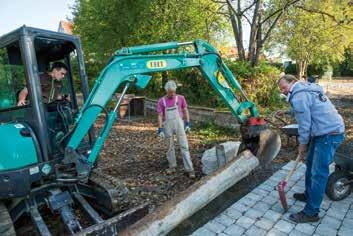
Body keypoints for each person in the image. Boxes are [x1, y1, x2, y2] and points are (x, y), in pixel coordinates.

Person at [278, 74, 345, 223]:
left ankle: (311, 212)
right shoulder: (306, 89)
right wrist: (288, 112)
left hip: (329, 134)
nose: (282, 91)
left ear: (293, 82)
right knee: (310, 164)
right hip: (322, 131)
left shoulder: (298, 96)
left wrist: (302, 144)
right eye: (280, 89)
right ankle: (309, 194)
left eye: (284, 87)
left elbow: (304, 125)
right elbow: (309, 107)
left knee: (318, 173)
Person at [157, 80, 195, 179]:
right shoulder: (162, 101)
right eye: (170, 92)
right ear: (166, 91)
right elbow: (160, 115)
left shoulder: (181, 98)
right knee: (169, 147)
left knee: (184, 146)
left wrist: (187, 123)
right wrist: (160, 129)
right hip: (167, 125)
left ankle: (190, 169)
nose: (172, 94)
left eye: (173, 92)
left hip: (179, 124)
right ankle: (172, 166)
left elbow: (185, 110)